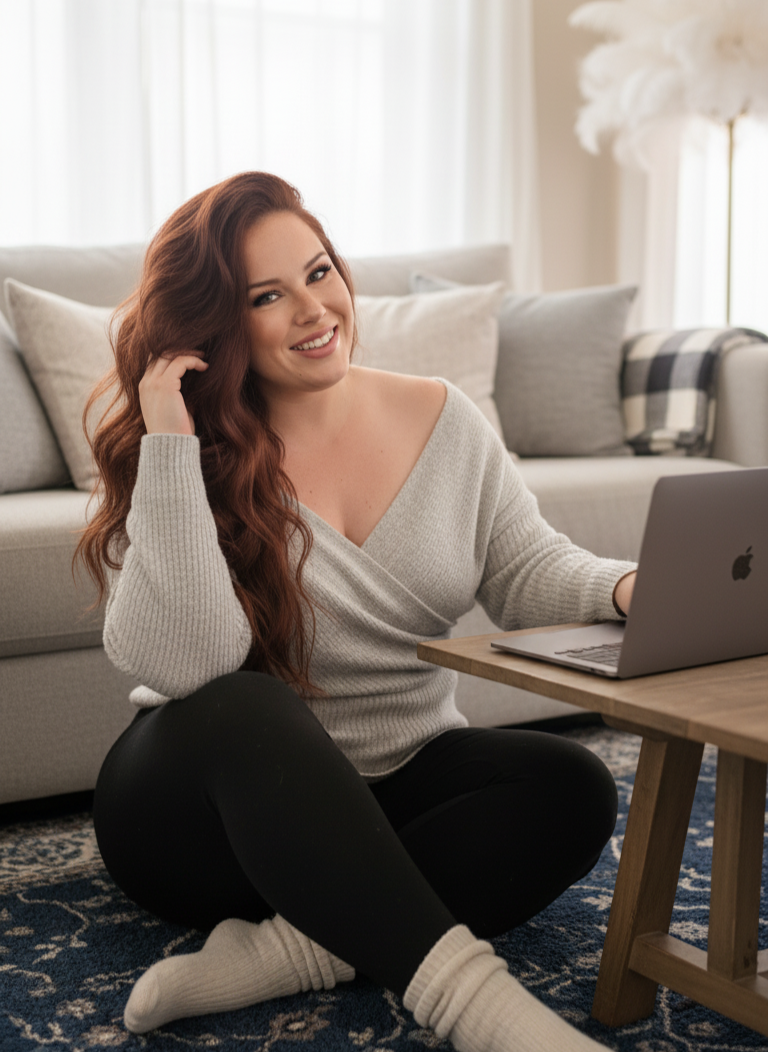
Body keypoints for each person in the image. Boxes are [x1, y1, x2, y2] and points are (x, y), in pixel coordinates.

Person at [76, 171, 637, 1052]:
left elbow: (526, 566)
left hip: (391, 793)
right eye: (267, 296)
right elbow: (191, 664)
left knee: (572, 788)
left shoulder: (442, 417)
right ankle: (481, 1012)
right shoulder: (191, 453)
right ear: (218, 325)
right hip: (205, 816)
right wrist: (172, 447)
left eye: (319, 272)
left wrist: (628, 588)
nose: (314, 309)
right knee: (245, 701)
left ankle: (294, 951)